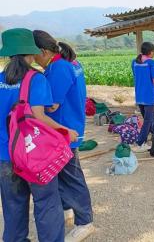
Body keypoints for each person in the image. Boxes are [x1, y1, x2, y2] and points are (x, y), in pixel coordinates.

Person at [0, 28, 78, 242]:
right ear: (30, 52)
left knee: (13, 206)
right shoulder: (36, 79)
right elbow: (38, 116)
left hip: (4, 156)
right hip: (33, 155)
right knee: (47, 203)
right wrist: (65, 131)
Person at [32, 30, 94, 242]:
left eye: (34, 54)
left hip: (63, 130)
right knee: (60, 173)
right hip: (70, 125)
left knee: (71, 176)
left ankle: (85, 221)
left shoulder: (58, 68)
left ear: (43, 51)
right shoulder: (71, 63)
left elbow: (51, 106)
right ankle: (67, 209)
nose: (33, 60)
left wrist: (32, 100)